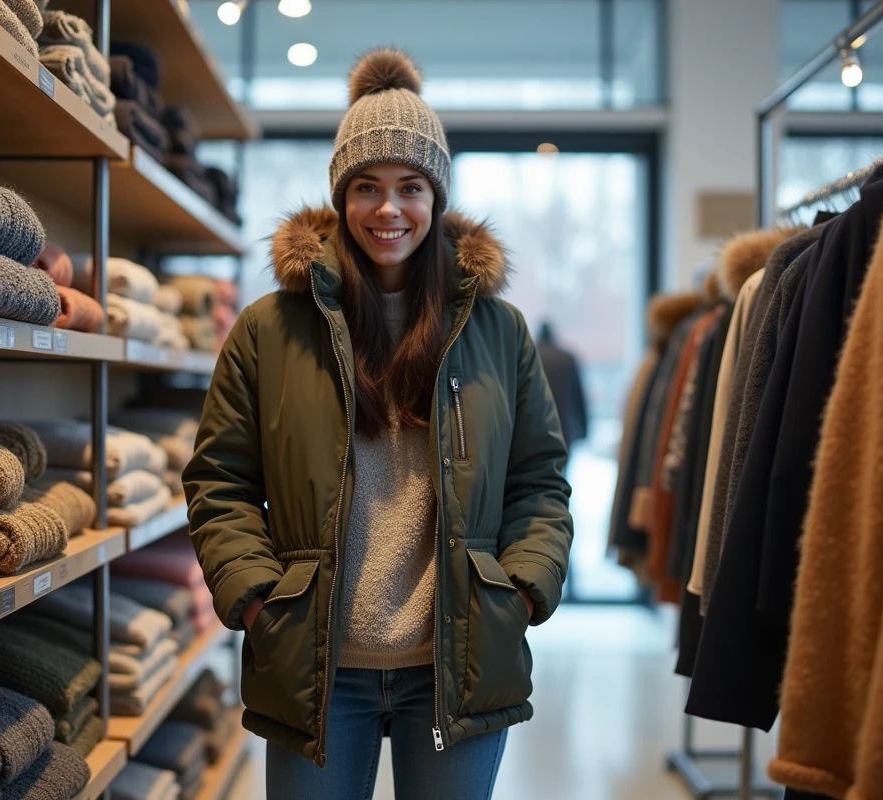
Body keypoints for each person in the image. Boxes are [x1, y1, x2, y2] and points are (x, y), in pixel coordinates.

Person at [183, 49, 573, 800]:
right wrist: (259, 598)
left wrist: (520, 589)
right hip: (316, 664)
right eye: (367, 187)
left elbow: (539, 482)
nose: (388, 210)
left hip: (455, 661)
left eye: (410, 187)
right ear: (340, 197)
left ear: (435, 196)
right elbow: (219, 480)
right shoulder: (270, 329)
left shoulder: (497, 331)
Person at [536, 322, 589, 451]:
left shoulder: (530, 357)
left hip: (536, 430)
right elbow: (578, 397)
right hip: (564, 429)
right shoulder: (567, 358)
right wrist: (585, 430)